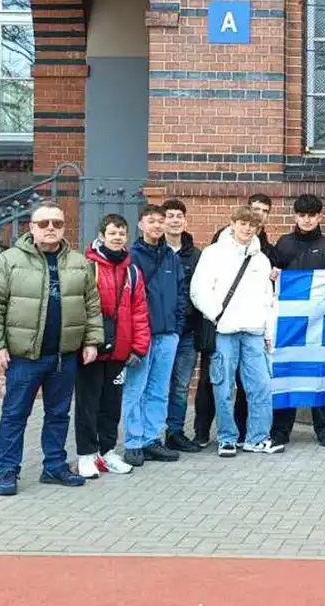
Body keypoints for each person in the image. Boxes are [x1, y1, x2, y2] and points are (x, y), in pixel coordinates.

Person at [0, 200, 104, 496]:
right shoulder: (9, 261)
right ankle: (8, 469)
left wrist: (91, 341)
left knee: (59, 414)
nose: (50, 228)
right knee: (15, 414)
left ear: (64, 228)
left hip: (63, 355)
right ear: (32, 227)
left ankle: (54, 466)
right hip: (24, 357)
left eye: (57, 224)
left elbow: (92, 305)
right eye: (44, 223)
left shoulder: (79, 263)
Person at [191, 205, 282, 457]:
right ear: (232, 224)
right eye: (243, 223)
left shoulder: (261, 259)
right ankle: (227, 438)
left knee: (261, 386)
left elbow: (267, 298)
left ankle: (257, 438)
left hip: (254, 332)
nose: (247, 229)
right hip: (225, 331)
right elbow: (199, 289)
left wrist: (268, 332)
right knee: (222, 387)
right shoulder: (213, 253)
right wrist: (216, 315)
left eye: (252, 225)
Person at [74, 214, 151, 477]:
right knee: (88, 405)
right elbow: (79, 308)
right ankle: (86, 455)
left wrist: (138, 346)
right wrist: (86, 342)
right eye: (112, 233)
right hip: (92, 350)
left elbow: (139, 310)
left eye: (121, 233)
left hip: (120, 350)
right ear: (101, 236)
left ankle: (107, 452)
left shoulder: (132, 271)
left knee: (111, 406)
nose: (117, 238)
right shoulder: (88, 267)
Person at [269, 194, 325, 447]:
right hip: (290, 323)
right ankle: (280, 430)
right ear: (295, 216)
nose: (307, 220)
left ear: (320, 216)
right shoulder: (284, 243)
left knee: (319, 373)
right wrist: (273, 274)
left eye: (312, 215)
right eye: (302, 215)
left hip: (319, 323)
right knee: (287, 373)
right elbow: (272, 277)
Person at [122, 204, 187, 467]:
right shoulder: (131, 257)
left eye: (161, 221)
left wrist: (177, 327)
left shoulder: (171, 257)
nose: (157, 225)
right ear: (141, 225)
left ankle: (151, 439)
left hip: (168, 334)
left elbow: (181, 292)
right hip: (142, 335)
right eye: (152, 221)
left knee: (159, 390)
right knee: (135, 390)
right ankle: (133, 442)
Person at [160, 199, 203, 454]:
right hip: (158, 332)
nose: (175, 220)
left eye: (179, 216)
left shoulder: (196, 255)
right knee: (155, 385)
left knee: (180, 385)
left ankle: (175, 432)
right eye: (170, 216)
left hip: (186, 332)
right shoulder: (154, 251)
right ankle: (150, 435)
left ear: (185, 221)